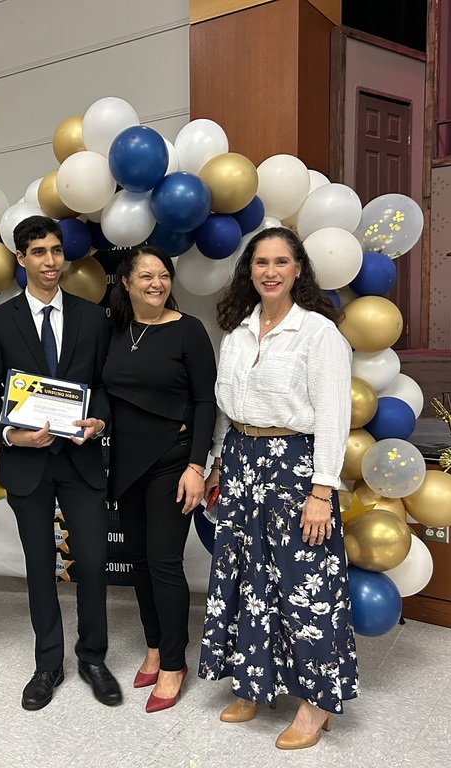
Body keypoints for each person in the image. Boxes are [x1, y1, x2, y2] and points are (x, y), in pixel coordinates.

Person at [198, 227, 358, 750]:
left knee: (303, 586)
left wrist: (322, 491)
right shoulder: (238, 333)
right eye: (260, 262)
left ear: (297, 271)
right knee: (246, 579)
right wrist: (218, 463)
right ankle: (252, 683)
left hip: (295, 468)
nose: (269, 271)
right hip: (242, 464)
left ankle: (316, 705)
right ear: (250, 271)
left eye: (281, 262)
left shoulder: (318, 333)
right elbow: (227, 409)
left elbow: (335, 418)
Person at [0, 215, 122, 711]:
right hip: (28, 462)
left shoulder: (92, 316)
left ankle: (93, 659)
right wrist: (9, 433)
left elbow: (103, 387)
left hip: (80, 459)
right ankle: (47, 665)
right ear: (21, 259)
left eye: (56, 251)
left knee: (95, 563)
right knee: (39, 565)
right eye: (38, 252)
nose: (50, 260)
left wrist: (98, 422)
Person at [103, 245, 216, 713]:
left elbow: (207, 402)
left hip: (173, 462)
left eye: (163, 274)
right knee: (141, 563)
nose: (156, 282)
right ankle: (153, 645)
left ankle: (173, 662)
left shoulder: (188, 330)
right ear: (126, 282)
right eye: (145, 275)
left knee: (166, 562)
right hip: (125, 464)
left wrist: (197, 467)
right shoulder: (112, 330)